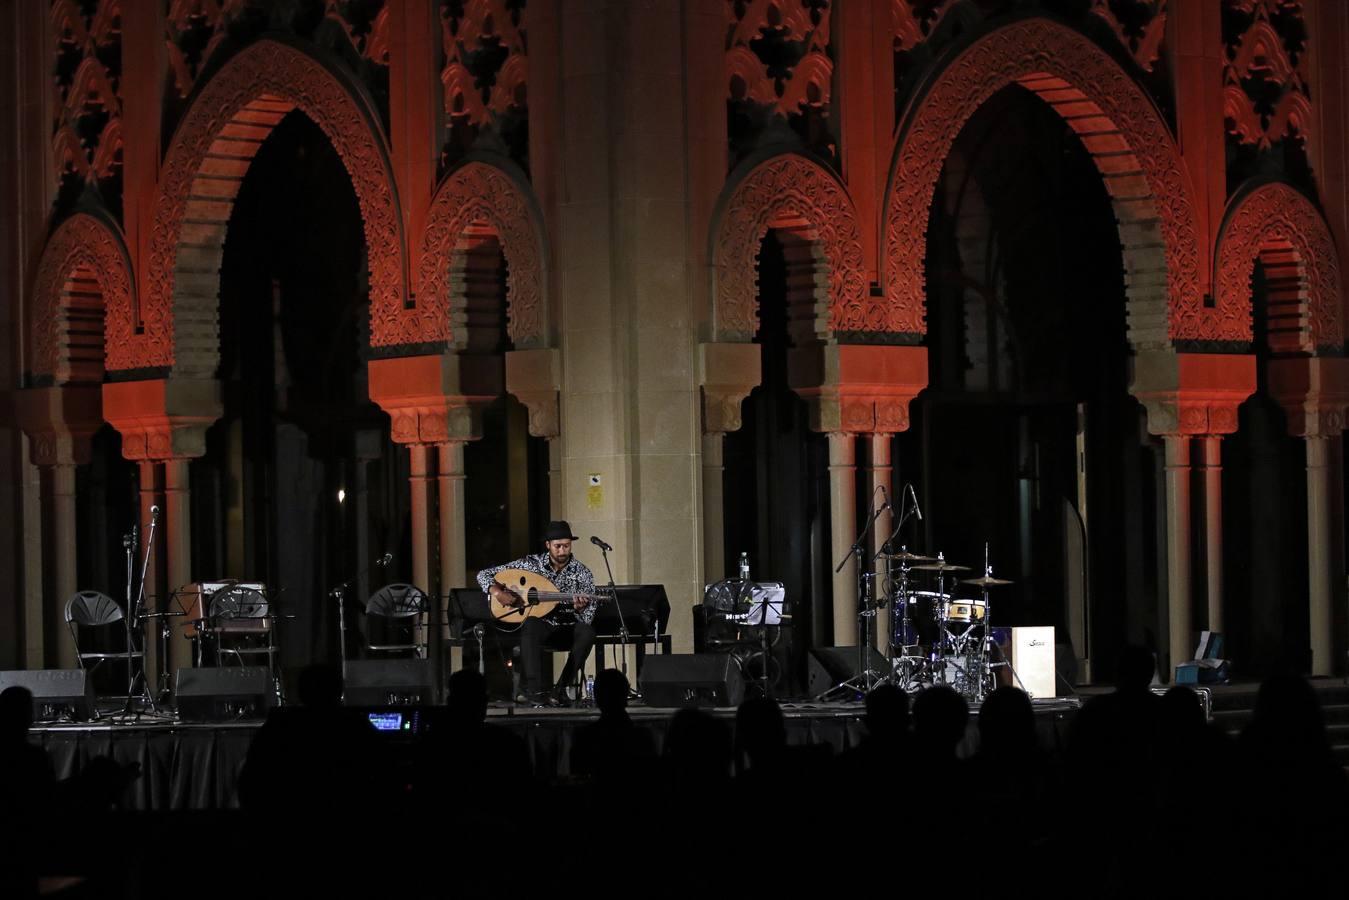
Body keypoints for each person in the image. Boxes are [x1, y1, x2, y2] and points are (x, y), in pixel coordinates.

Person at [476, 520, 597, 706]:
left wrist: (580, 609)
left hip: (566, 629)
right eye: (557, 546)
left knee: (587, 632)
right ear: (548, 545)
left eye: (566, 545)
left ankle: (560, 690)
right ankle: (535, 691)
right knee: (531, 622)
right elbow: (483, 575)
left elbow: (587, 619)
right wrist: (497, 592)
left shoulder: (582, 573)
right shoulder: (531, 564)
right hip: (539, 628)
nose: (562, 551)